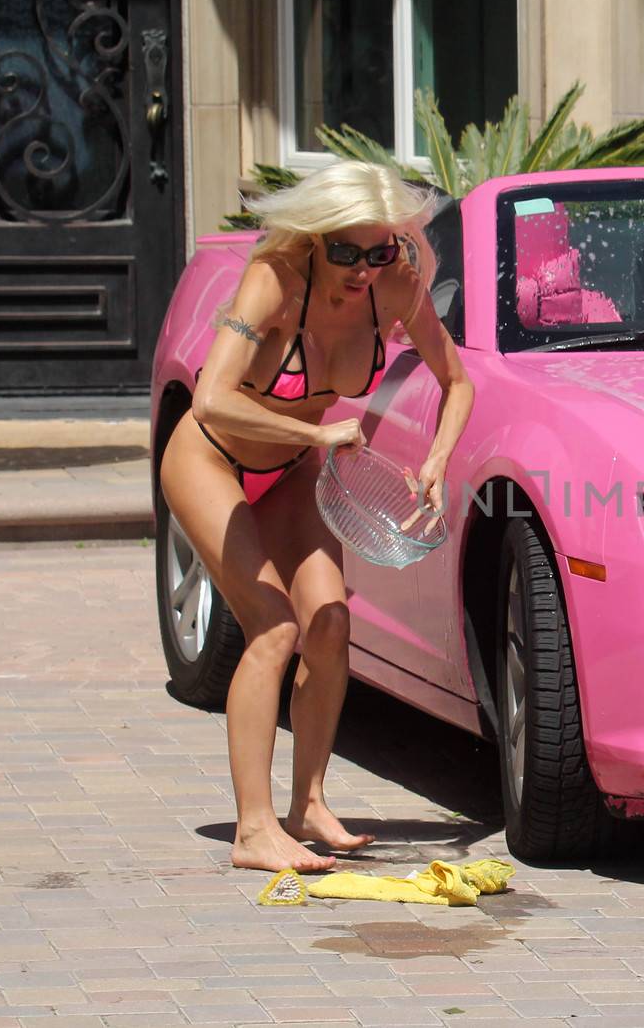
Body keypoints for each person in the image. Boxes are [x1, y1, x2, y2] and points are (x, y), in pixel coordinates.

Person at [159, 161, 474, 873]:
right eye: (348, 251)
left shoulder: (395, 285)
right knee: (272, 626)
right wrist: (315, 434)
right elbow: (210, 399)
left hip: (294, 470)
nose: (364, 269)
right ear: (316, 238)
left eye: (380, 249)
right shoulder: (274, 279)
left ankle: (307, 802)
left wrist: (438, 460)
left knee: (329, 620)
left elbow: (457, 380)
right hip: (210, 459)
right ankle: (252, 829)